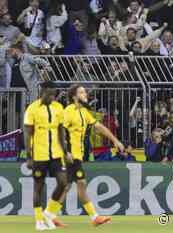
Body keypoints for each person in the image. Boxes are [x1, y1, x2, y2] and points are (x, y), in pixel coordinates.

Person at [60, 84, 125, 226]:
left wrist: (115, 140)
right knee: (77, 184)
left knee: (68, 186)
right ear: (74, 96)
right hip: (69, 156)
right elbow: (61, 132)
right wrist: (66, 152)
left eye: (85, 92)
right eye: (82, 92)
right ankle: (94, 217)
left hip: (77, 155)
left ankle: (50, 215)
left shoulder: (83, 112)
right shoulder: (69, 111)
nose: (85, 95)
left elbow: (99, 127)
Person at [23, 81, 70, 231]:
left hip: (56, 154)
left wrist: (65, 151)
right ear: (42, 92)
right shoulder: (32, 108)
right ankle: (39, 220)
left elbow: (61, 131)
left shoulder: (58, 107)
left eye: (54, 94)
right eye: (50, 93)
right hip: (39, 155)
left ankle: (48, 213)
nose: (52, 96)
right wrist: (29, 156)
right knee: (38, 186)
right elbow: (27, 133)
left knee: (63, 182)